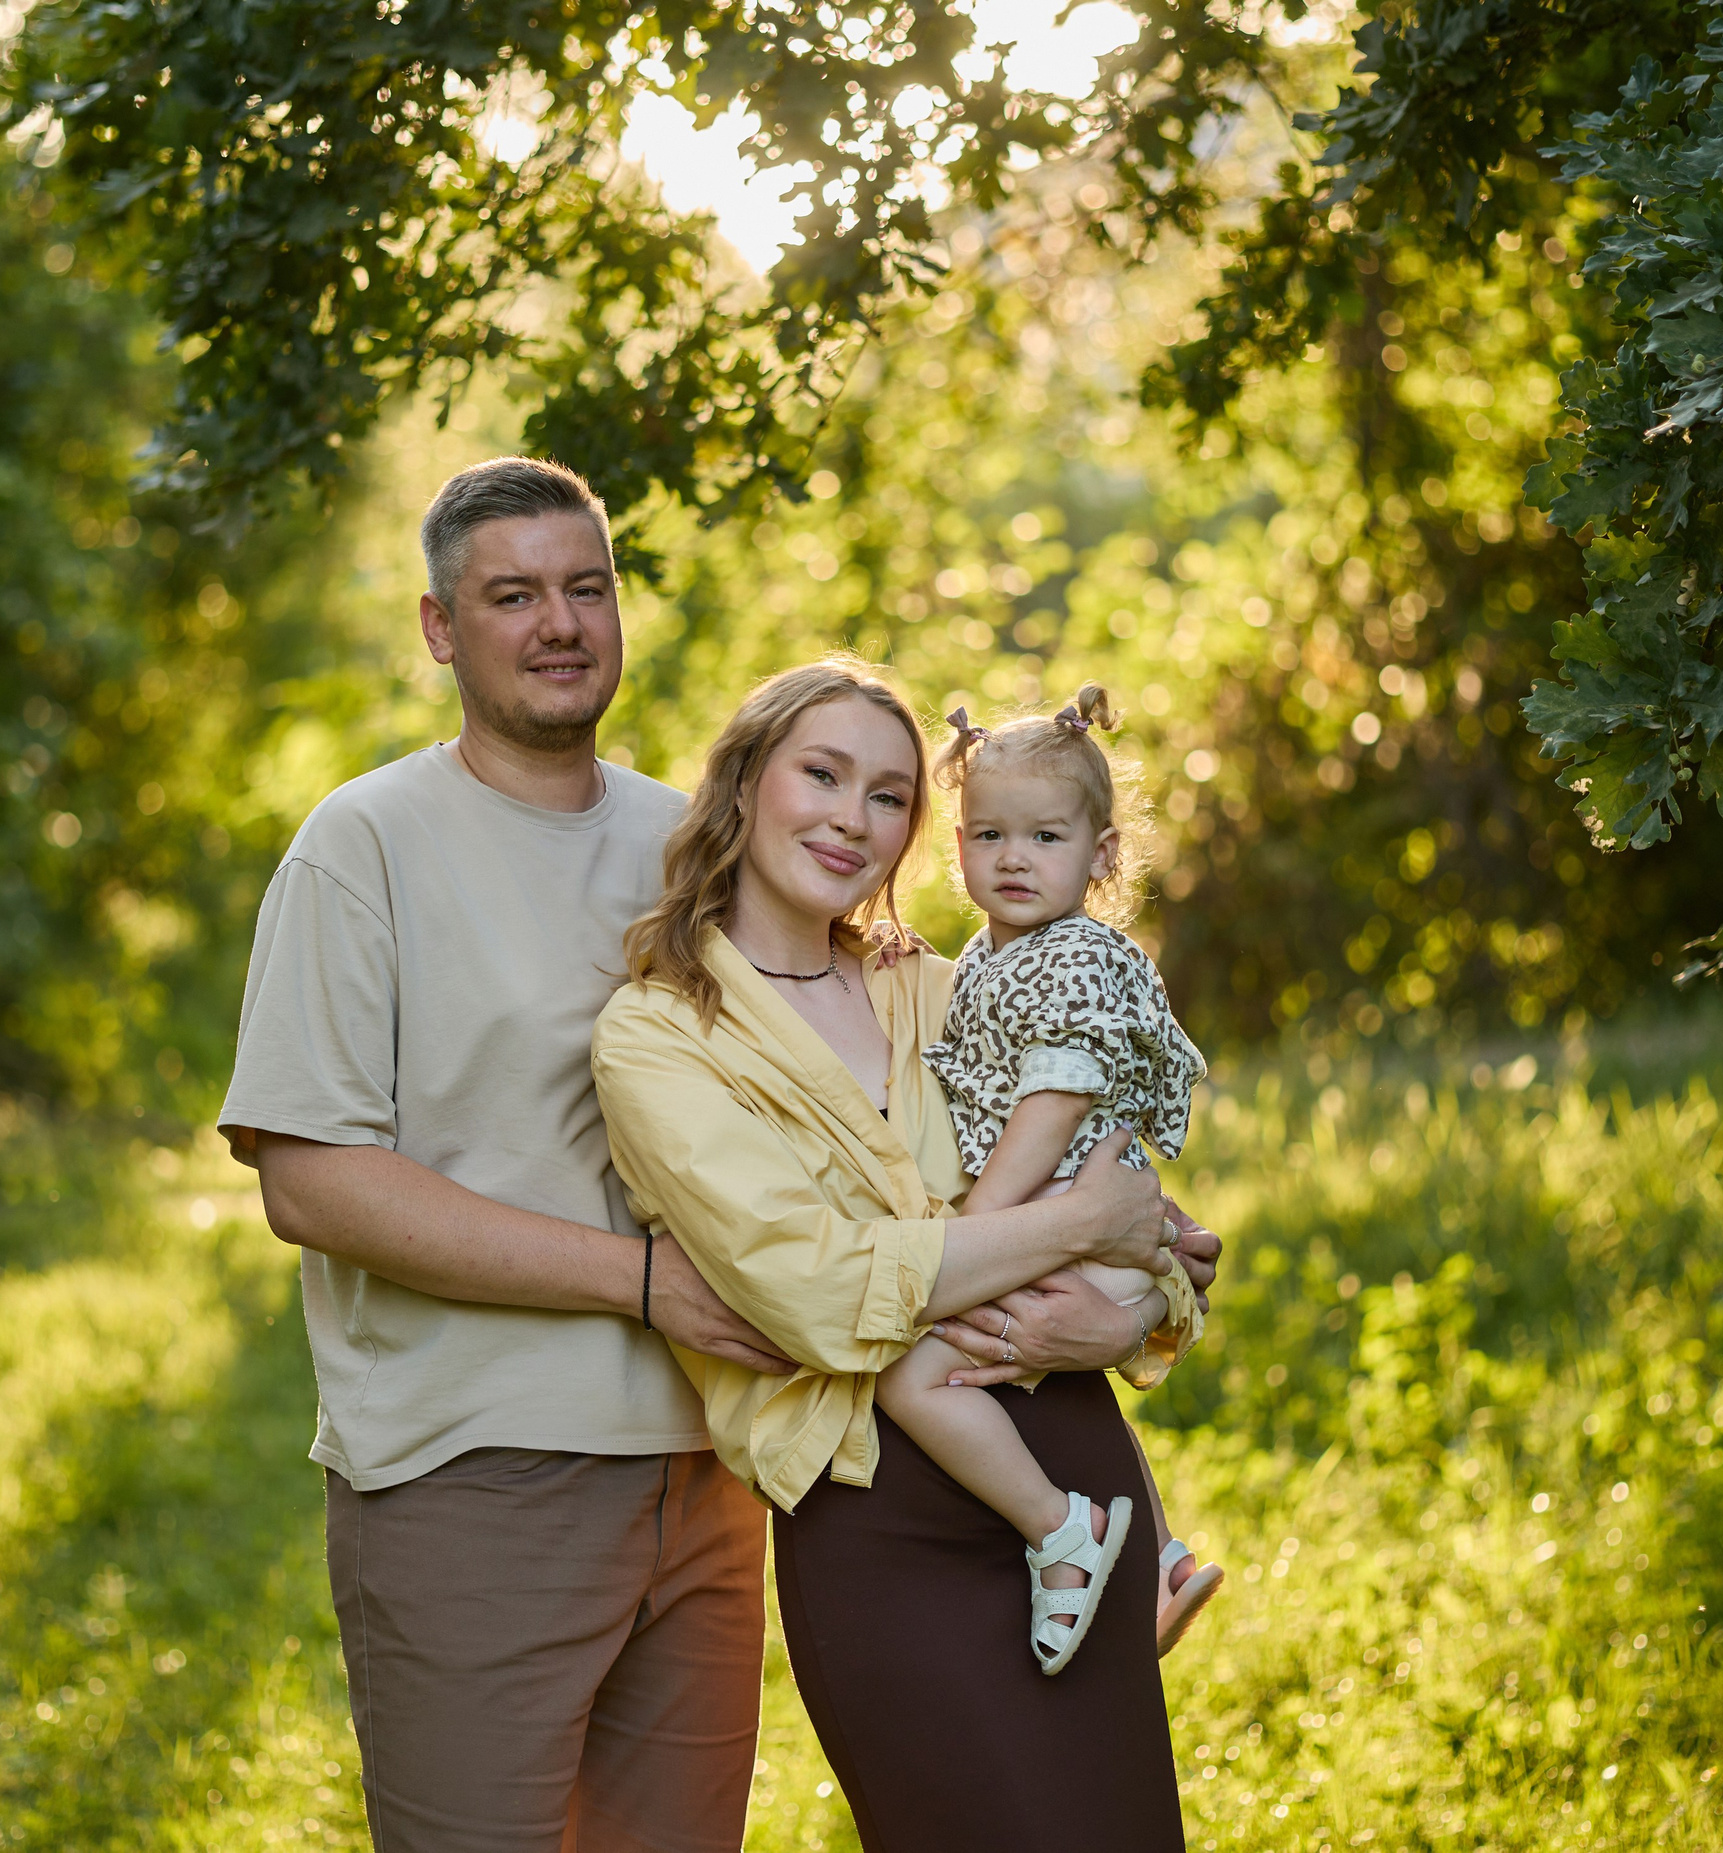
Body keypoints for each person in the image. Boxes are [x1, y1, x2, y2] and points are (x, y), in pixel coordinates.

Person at [215, 457, 802, 1853]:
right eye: (513, 594)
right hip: (470, 1475)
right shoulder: (362, 847)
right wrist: (639, 1283)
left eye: (585, 588)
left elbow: (844, 1089)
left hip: (708, 1471)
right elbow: (313, 1177)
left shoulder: (695, 845)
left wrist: (1095, 1210)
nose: (558, 622)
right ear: (439, 629)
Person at [590, 658, 1202, 1853]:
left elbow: (1135, 1198)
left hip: (1075, 1473)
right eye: (821, 773)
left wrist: (1135, 1312)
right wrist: (1072, 1234)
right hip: (875, 1500)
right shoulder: (659, 1034)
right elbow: (814, 1291)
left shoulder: (952, 983)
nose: (850, 817)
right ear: (741, 783)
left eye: (887, 796)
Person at [873, 684, 1226, 1672]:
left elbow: (1055, 1102)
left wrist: (974, 1229)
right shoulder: (995, 954)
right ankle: (1160, 1555)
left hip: (1064, 1222)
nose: (1013, 857)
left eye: (1043, 835)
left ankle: (1059, 1531)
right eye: (988, 834)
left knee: (915, 1372)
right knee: (1060, 1393)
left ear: (1101, 856)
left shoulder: (1067, 956)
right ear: (956, 847)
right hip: (1087, 1228)